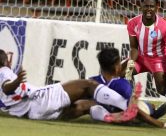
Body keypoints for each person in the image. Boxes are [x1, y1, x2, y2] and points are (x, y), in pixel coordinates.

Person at [0, 49, 141, 122]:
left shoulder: (96, 79)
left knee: (82, 106)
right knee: (86, 98)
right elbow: (6, 87)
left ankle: (113, 117)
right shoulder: (122, 84)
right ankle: (139, 115)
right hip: (40, 98)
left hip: (32, 110)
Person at [67, 47, 166, 128]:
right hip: (119, 114)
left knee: (88, 106)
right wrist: (162, 124)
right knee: (140, 106)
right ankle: (151, 113)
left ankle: (148, 110)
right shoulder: (122, 85)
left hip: (99, 113)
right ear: (116, 66)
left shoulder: (91, 81)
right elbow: (133, 108)